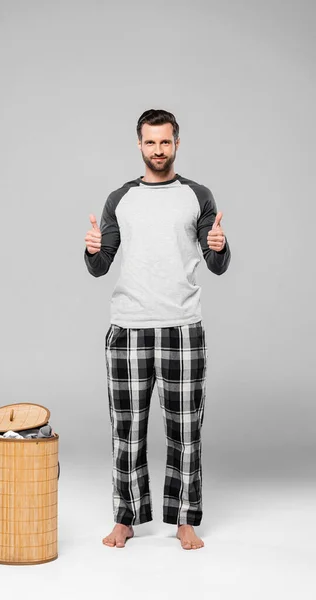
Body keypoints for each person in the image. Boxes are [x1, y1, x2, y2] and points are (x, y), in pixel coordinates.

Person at [83, 109, 231, 550]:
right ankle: (126, 519)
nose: (158, 150)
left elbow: (218, 264)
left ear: (177, 144)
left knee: (186, 428)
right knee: (126, 429)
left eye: (165, 142)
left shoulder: (196, 195)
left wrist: (220, 246)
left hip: (183, 328)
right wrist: (91, 249)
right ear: (139, 145)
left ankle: (185, 519)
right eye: (150, 142)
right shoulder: (120, 198)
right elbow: (100, 266)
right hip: (128, 328)